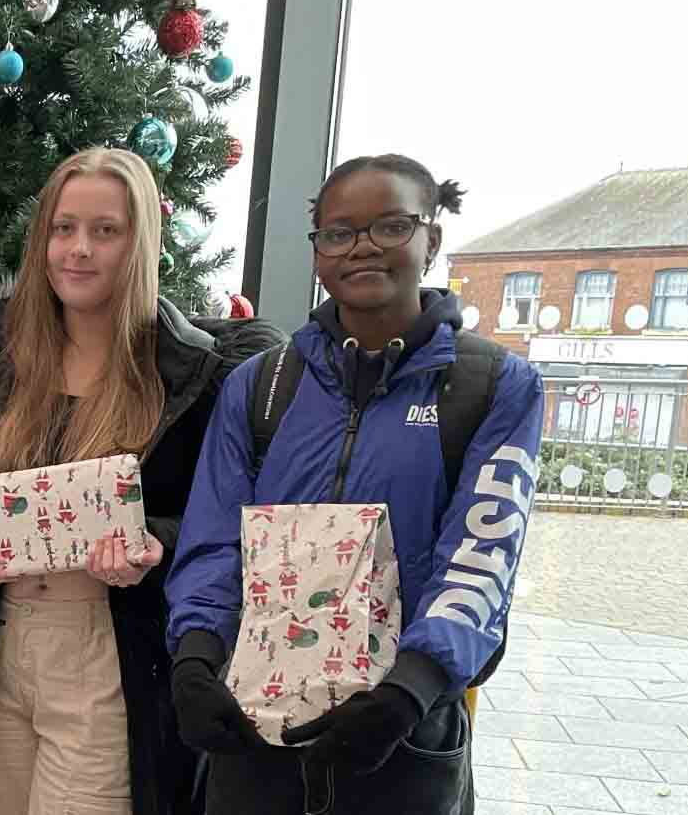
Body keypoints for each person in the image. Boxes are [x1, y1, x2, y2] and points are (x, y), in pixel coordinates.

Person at [166, 155, 542, 813]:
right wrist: (195, 660)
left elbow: (482, 557)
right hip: (255, 733)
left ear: (432, 240)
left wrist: (407, 693)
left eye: (391, 226)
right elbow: (213, 538)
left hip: (403, 737)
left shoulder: (492, 387)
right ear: (318, 251)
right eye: (339, 232)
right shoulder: (259, 387)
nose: (363, 246)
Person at [0, 148, 283, 815]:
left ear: (139, 240)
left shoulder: (191, 371)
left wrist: (155, 546)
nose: (78, 250)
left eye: (105, 231)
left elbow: (224, 518)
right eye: (63, 229)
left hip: (104, 650)